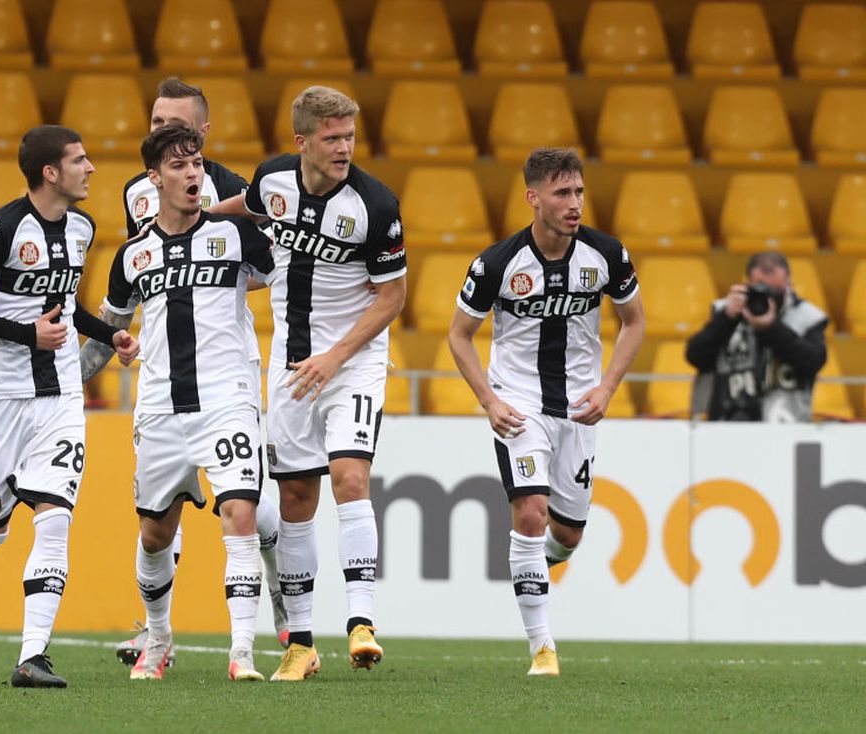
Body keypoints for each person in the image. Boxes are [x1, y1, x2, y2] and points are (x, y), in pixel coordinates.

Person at [0, 125, 139, 688]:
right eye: (79, 160)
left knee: (55, 519)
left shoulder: (83, 228)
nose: (90, 168)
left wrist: (105, 334)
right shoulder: (0, 230)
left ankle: (32, 657)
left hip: (60, 396)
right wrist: (25, 335)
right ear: (50, 172)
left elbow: (61, 306)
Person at [207, 86, 406, 681]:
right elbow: (250, 205)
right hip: (291, 365)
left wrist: (336, 356)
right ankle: (298, 643)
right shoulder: (273, 180)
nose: (344, 147)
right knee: (295, 499)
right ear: (302, 142)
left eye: (349, 136)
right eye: (332, 137)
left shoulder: (376, 204)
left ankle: (362, 622)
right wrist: (194, 219)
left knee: (349, 475)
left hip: (354, 361)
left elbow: (393, 296)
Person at [81, 124, 276, 681]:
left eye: (196, 163)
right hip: (161, 407)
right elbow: (113, 326)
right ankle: (160, 637)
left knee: (238, 512)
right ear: (154, 179)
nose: (192, 173)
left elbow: (280, 280)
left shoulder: (237, 235)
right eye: (178, 165)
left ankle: (242, 653)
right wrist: (73, 377)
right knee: (155, 534)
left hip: (227, 398)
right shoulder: (133, 255)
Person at [447, 148, 645, 677]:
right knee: (530, 513)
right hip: (520, 403)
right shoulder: (497, 263)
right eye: (562, 193)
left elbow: (634, 322)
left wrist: (607, 388)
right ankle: (542, 647)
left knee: (569, 534)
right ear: (533, 198)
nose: (574, 203)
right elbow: (459, 335)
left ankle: (528, 564)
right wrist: (490, 401)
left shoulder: (607, 255)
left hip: (579, 407)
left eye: (579, 192)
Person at [685, 252, 828, 422]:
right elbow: (694, 355)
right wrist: (727, 319)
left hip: (786, 425)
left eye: (776, 291)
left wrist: (770, 328)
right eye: (760, 290)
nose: (769, 299)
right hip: (727, 423)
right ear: (747, 284)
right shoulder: (727, 311)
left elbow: (813, 361)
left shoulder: (806, 316)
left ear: (789, 284)